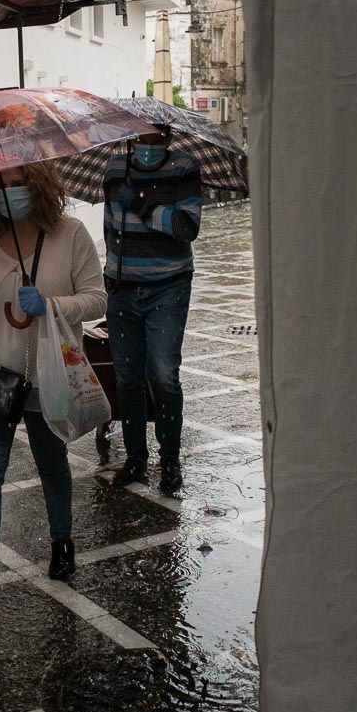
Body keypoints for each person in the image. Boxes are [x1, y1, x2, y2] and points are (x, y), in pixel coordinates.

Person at [0, 161, 107, 622]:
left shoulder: (70, 234)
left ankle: (62, 541)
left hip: (48, 377)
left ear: (39, 186)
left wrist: (51, 304)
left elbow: (97, 298)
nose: (10, 192)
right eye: (2, 185)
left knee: (52, 465)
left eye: (19, 184)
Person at [102, 125, 203, 495]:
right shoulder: (115, 169)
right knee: (127, 377)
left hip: (169, 286)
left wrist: (141, 203)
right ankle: (135, 457)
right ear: (131, 138)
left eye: (156, 139)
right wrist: (112, 273)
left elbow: (185, 227)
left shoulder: (184, 167)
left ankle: (170, 457)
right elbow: (112, 226)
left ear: (168, 138)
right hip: (123, 289)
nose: (148, 146)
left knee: (162, 374)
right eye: (141, 139)